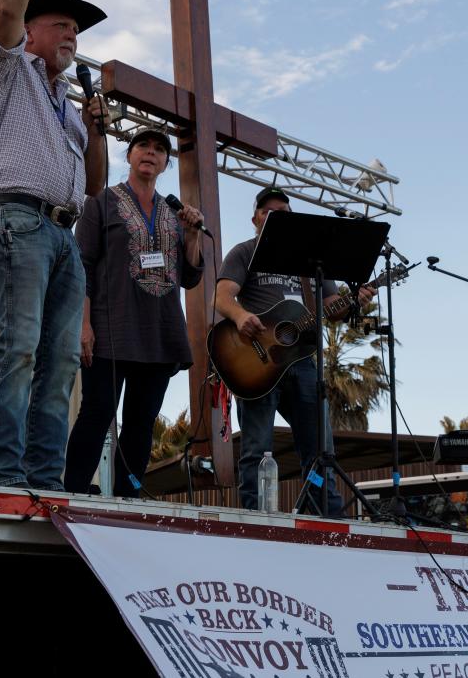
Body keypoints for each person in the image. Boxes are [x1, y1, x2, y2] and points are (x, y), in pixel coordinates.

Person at [0, 0, 108, 489]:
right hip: (16, 222)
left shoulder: (68, 107)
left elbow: (96, 188)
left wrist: (98, 133)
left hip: (62, 234)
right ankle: (3, 475)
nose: (73, 35)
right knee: (20, 349)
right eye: (62, 25)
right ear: (31, 32)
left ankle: (45, 480)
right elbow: (3, 9)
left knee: (60, 366)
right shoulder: (4, 70)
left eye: (78, 29)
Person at [214, 186, 375, 515]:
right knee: (257, 448)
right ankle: (258, 520)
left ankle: (326, 517)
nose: (275, 216)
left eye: (283, 212)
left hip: (302, 362)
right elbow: (221, 297)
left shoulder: (311, 263)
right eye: (268, 211)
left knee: (320, 450)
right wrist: (242, 316)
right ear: (255, 218)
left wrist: (354, 300)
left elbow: (331, 307)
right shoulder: (245, 252)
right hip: (256, 360)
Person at [64, 129, 205, 497]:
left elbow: (189, 277)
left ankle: (127, 498)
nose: (151, 153)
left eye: (160, 150)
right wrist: (83, 324)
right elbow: (83, 267)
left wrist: (191, 235)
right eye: (143, 146)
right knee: (97, 414)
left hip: (160, 334)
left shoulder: (174, 215)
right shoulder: (100, 204)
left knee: (141, 424)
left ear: (165, 163)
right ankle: (74, 491)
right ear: (129, 155)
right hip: (111, 329)